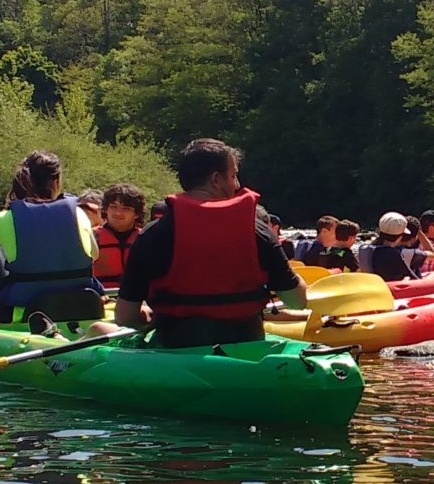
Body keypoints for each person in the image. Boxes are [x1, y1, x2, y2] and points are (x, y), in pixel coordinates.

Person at [114, 138, 307, 349]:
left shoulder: (152, 235)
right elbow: (297, 301)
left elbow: (125, 317)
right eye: (233, 176)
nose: (237, 185)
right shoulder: (259, 232)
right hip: (245, 351)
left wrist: (150, 315)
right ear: (216, 180)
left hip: (175, 351)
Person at [0, 151, 105, 324]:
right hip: (86, 306)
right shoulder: (78, 213)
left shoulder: (5, 218)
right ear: (56, 182)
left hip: (27, 313)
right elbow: (94, 255)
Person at [92, 183, 147, 290]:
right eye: (113, 207)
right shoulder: (91, 237)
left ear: (136, 214)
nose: (118, 213)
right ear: (106, 209)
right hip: (101, 297)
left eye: (126, 208)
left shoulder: (146, 238)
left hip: (137, 299)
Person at [357, 212, 428, 281]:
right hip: (389, 289)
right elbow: (410, 277)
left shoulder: (364, 248)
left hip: (372, 286)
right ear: (400, 236)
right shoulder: (393, 254)